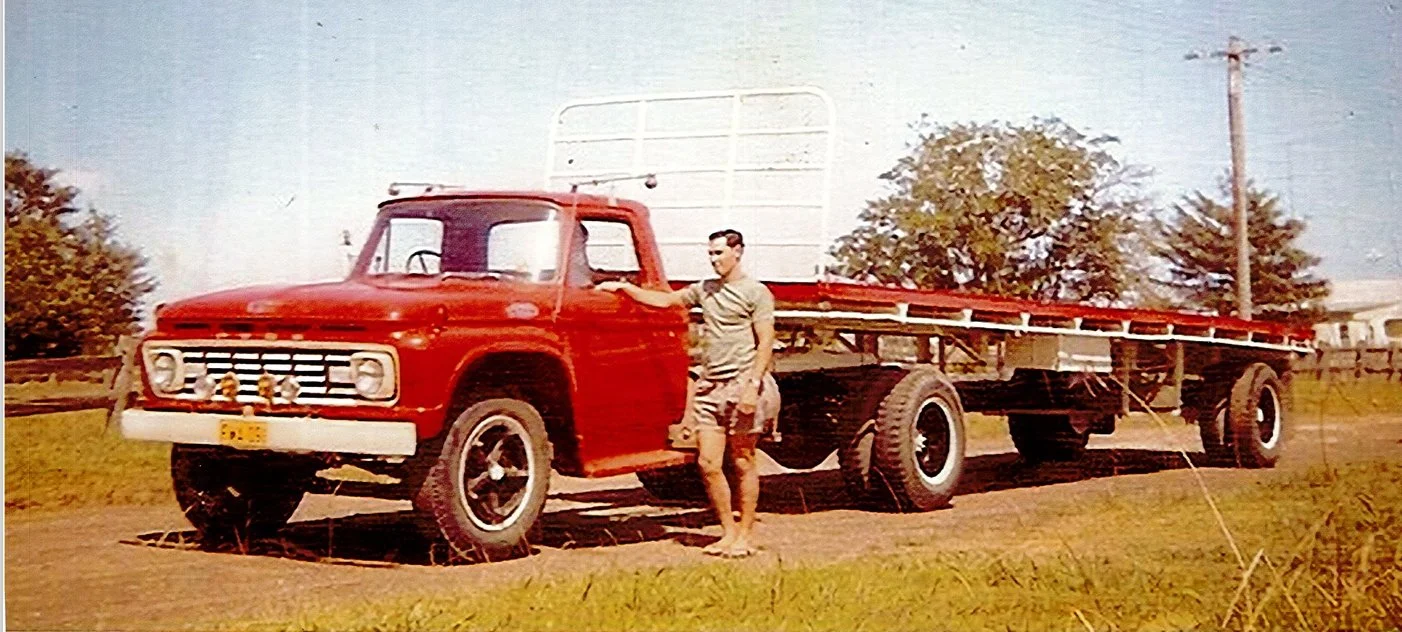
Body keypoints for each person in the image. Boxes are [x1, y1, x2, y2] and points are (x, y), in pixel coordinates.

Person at [597, 229, 778, 559]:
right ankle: (727, 533)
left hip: (742, 383)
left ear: (738, 252)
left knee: (742, 460)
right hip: (711, 386)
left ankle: (746, 536)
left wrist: (753, 386)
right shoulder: (705, 290)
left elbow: (765, 341)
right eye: (710, 253)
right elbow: (666, 301)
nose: (714, 259)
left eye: (719, 253)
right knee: (708, 463)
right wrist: (625, 288)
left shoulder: (756, 292)